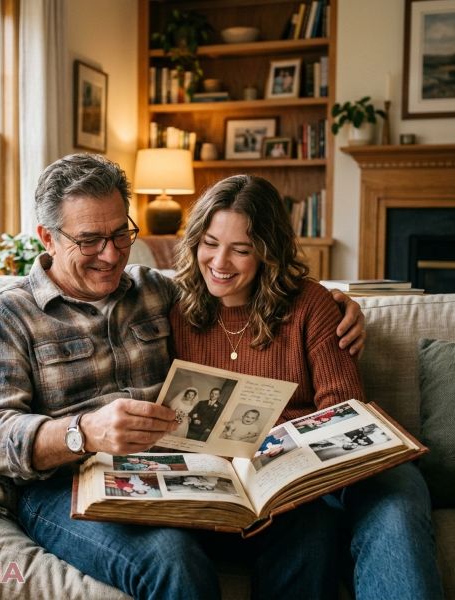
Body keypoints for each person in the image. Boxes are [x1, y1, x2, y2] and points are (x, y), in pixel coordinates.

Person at [0, 154, 366, 600]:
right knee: (171, 559)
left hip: (170, 475)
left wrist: (337, 303)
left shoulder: (155, 289)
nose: (112, 254)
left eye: (121, 233)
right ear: (48, 238)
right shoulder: (5, 316)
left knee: (310, 527)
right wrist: (84, 432)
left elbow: (231, 282)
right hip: (68, 489)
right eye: (90, 240)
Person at [169, 174, 444, 600]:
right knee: (307, 530)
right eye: (209, 242)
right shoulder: (174, 309)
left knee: (396, 503)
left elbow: (343, 407)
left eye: (241, 249)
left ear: (266, 252)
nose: (220, 261)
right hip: (243, 487)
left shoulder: (311, 304)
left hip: (328, 469)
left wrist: (267, 436)